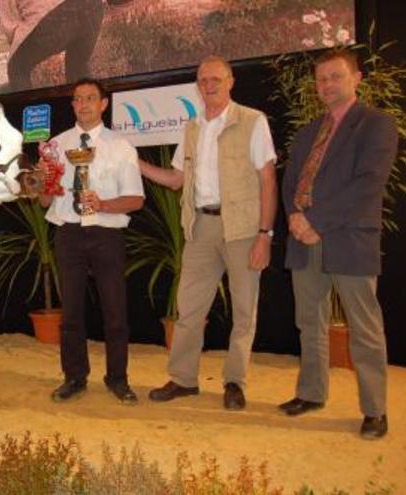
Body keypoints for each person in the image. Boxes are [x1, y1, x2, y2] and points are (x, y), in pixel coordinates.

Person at [139, 55, 277, 410]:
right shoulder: (193, 127)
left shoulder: (252, 121)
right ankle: (183, 380)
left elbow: (267, 180)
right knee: (189, 309)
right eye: (202, 80)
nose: (209, 85)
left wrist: (265, 234)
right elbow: (176, 180)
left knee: (244, 311)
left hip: (243, 228)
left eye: (216, 79)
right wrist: (135, 163)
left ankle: (234, 382)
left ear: (230, 82)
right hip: (200, 227)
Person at [279, 49, 398, 439]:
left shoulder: (376, 125)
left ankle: (375, 410)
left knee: (364, 329)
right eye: (321, 79)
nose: (326, 84)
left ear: (356, 78)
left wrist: (316, 221)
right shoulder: (308, 132)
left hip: (348, 239)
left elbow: (367, 185)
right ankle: (312, 393)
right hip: (304, 241)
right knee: (308, 323)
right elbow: (291, 182)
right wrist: (296, 220)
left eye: (335, 76)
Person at [39, 78, 144, 404]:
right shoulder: (55, 146)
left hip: (106, 232)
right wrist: (43, 183)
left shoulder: (121, 146)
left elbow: (136, 200)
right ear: (72, 105)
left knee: (115, 312)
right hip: (68, 233)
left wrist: (104, 205)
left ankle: (118, 379)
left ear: (103, 104)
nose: (82, 104)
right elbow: (44, 202)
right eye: (77, 99)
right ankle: (74, 377)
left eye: (89, 98)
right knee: (70, 313)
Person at [0, 0, 105, 92]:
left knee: (17, 68)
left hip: (53, 12)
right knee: (78, 66)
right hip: (94, 5)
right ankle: (89, 114)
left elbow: (10, 25)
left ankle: (29, 112)